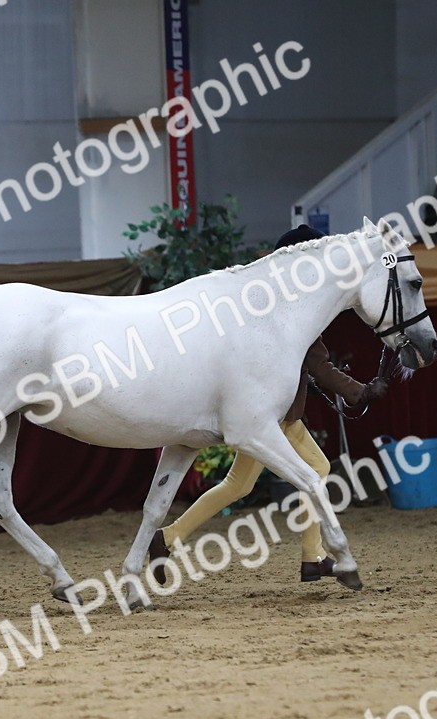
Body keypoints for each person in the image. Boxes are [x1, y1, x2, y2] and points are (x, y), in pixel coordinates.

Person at [148, 224, 389, 586]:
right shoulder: (294, 311)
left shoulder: (274, 302)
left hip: (274, 415)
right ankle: (312, 557)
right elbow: (319, 364)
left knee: (239, 484)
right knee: (314, 469)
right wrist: (362, 392)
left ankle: (167, 538)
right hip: (274, 418)